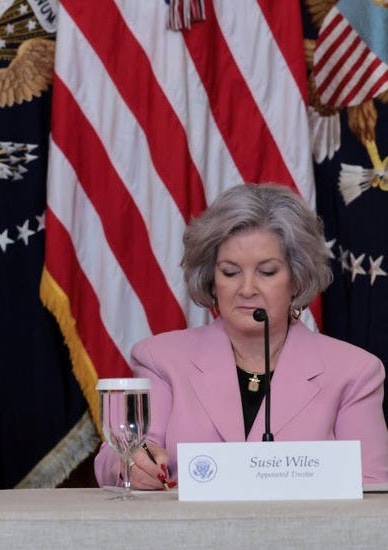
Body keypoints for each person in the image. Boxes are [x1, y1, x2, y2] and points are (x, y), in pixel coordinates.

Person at [95, 183, 388, 488]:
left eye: (267, 272)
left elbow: (373, 486)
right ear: (212, 281)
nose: (247, 289)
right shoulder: (162, 359)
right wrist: (132, 462)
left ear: (297, 279)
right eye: (230, 272)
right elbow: (116, 458)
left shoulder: (354, 372)